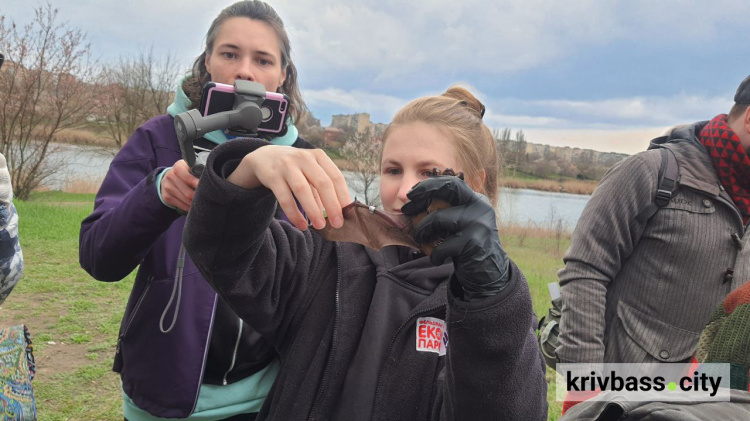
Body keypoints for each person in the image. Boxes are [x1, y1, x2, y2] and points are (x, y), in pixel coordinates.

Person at [182, 86, 548, 420]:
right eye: (393, 170)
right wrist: (247, 170)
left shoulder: (499, 311)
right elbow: (220, 253)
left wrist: (490, 295)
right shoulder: (325, 258)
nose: (404, 190)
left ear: (476, 185)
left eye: (430, 172)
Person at [78, 1, 313, 419]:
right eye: (229, 53)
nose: (245, 71)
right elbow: (97, 255)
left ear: (282, 75)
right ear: (208, 62)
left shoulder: (303, 159)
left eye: (263, 59)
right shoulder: (158, 137)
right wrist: (158, 195)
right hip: (162, 393)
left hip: (268, 399)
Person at [556, 75, 750, 369]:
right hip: (622, 403)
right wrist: (582, 390)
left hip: (716, 401)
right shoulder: (650, 172)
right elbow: (586, 272)